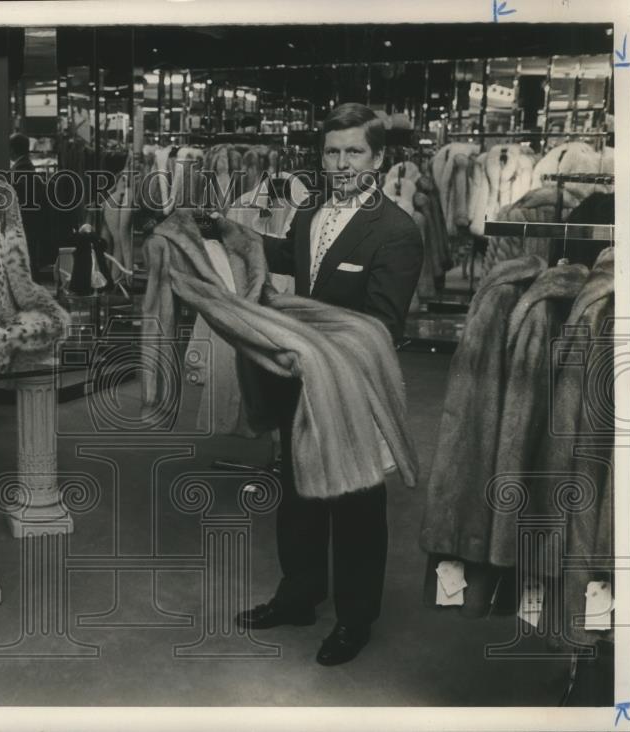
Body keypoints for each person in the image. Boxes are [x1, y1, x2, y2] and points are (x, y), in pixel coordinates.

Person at [232, 103, 423, 666]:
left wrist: (318, 352)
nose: (341, 164)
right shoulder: (312, 212)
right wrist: (228, 234)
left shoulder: (396, 232)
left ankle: (355, 619)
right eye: (332, 152)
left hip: (354, 387)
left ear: (380, 159)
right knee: (297, 494)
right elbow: (288, 257)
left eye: (354, 152)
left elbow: (382, 327)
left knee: (358, 506)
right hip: (301, 379)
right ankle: (299, 595)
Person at [9, 132, 49, 278]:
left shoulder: (20, 169)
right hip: (33, 219)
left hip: (26, 220)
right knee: (30, 255)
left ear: (12, 150)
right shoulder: (25, 166)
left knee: (27, 256)